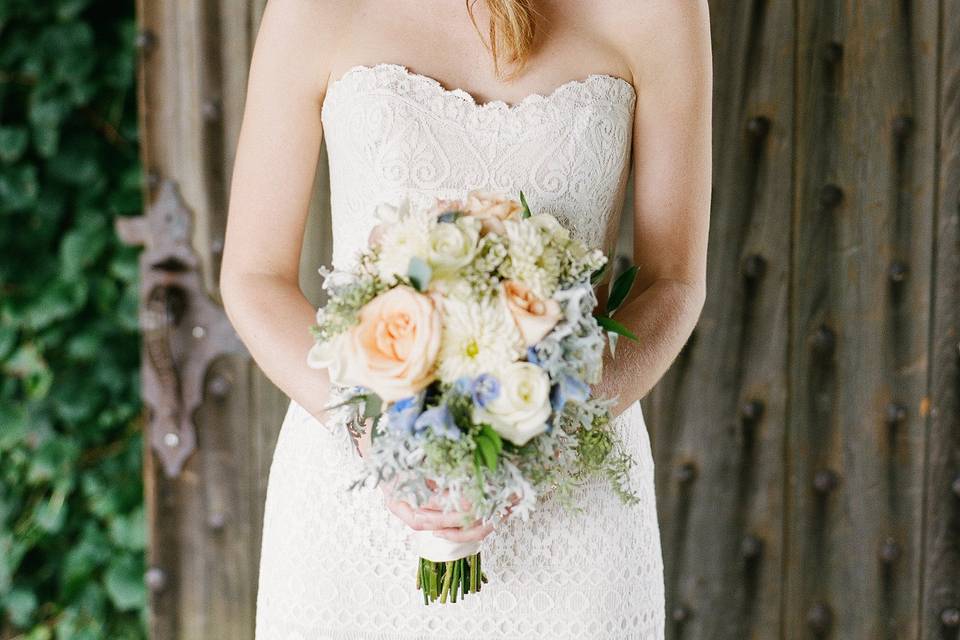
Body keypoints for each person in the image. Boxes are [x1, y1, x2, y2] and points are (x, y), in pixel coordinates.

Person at [220, 0, 712, 637]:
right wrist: (377, 432)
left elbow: (673, 283)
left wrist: (543, 428)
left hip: (571, 500)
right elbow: (253, 277)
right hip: (358, 502)